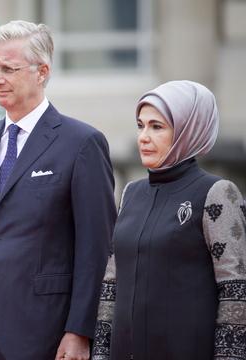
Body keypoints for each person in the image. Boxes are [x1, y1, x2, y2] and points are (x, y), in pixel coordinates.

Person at [0, 20, 116, 360]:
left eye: (8, 68)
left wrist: (80, 331)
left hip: (45, 330)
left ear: (42, 72)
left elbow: (96, 248)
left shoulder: (81, 143)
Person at [94, 80, 246, 360]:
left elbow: (235, 290)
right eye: (141, 125)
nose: (143, 137)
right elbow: (111, 283)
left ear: (190, 131)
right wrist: (100, 353)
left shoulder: (217, 193)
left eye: (157, 126)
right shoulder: (131, 193)